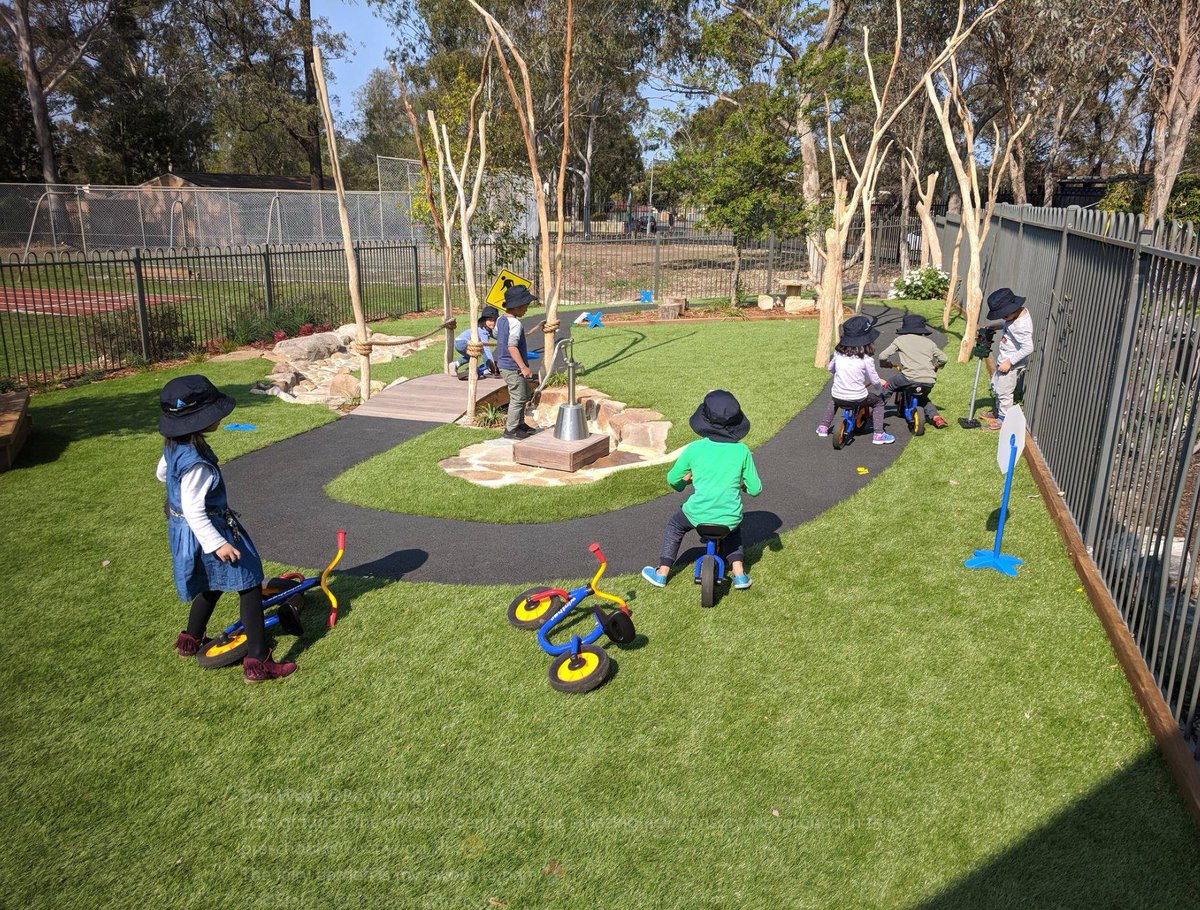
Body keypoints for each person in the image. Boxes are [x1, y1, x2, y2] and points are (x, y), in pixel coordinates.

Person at [158, 375, 296, 683]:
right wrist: (217, 543)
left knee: (213, 581)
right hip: (209, 528)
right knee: (248, 582)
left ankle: (191, 639)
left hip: (184, 529)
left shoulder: (176, 447)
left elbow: (162, 472)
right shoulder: (197, 464)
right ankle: (259, 662)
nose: (219, 417)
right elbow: (195, 510)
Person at [641, 390, 762, 591]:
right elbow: (755, 489)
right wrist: (743, 486)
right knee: (734, 529)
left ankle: (662, 573)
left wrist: (684, 483)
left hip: (697, 513)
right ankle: (740, 574)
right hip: (728, 516)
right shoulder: (742, 451)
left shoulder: (694, 449)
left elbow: (672, 479)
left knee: (675, 526)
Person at [816, 315, 895, 445]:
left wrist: (841, 373)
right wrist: (879, 388)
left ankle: (823, 427)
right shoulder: (866, 359)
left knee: (834, 400)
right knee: (878, 403)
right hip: (858, 396)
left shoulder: (838, 354)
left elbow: (831, 368)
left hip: (838, 394)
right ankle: (879, 434)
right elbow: (874, 379)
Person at [877, 313, 949, 429]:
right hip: (928, 379)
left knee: (889, 386)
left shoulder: (900, 340)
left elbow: (882, 356)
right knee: (923, 398)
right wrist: (935, 367)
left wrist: (885, 365)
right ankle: (936, 417)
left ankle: (877, 408)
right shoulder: (929, 342)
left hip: (908, 377)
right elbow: (943, 358)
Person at [981, 287, 1034, 429]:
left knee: (1004, 391)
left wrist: (1010, 362)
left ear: (1013, 309)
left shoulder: (1022, 325)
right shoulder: (1014, 316)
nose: (1002, 318)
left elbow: (1028, 348)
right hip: (1004, 360)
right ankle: (997, 412)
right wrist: (995, 325)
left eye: (1003, 315)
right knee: (997, 386)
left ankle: (1003, 419)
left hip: (1011, 364)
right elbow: (1007, 324)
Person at [496, 284, 540, 440]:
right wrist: (523, 367)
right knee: (518, 397)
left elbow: (496, 335)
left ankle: (520, 424)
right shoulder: (515, 323)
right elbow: (512, 346)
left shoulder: (500, 320)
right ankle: (511, 429)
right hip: (512, 367)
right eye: (526, 305)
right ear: (518, 306)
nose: (527, 308)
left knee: (525, 393)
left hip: (504, 365)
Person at [455, 305, 500, 380]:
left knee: (471, 355)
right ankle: (488, 369)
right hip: (462, 342)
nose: (493, 323)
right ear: (484, 321)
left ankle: (456, 364)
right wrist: (491, 364)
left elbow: (496, 336)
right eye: (490, 320)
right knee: (480, 351)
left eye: (494, 320)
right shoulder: (482, 331)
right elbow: (486, 348)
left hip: (458, 341)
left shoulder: (485, 329)